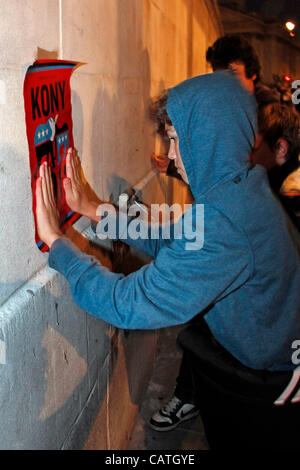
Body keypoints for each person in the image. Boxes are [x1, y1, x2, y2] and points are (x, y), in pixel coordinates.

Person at [35, 70, 300, 449]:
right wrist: (96, 211)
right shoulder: (237, 189)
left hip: (275, 381)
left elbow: (131, 303)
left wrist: (56, 244)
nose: (172, 154)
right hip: (264, 359)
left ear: (208, 139)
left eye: (176, 139)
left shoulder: (227, 221)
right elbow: (173, 238)